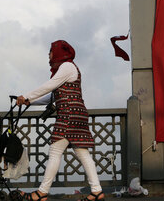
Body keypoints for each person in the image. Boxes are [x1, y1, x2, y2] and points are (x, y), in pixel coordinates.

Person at [16, 40, 104, 201]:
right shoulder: (68, 68)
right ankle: (97, 191)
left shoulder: (67, 66)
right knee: (82, 153)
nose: (48, 55)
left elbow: (50, 85)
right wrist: (31, 102)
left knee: (55, 151)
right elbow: (53, 96)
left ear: (57, 52)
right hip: (78, 113)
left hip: (69, 113)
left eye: (50, 52)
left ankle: (42, 192)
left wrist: (26, 96)